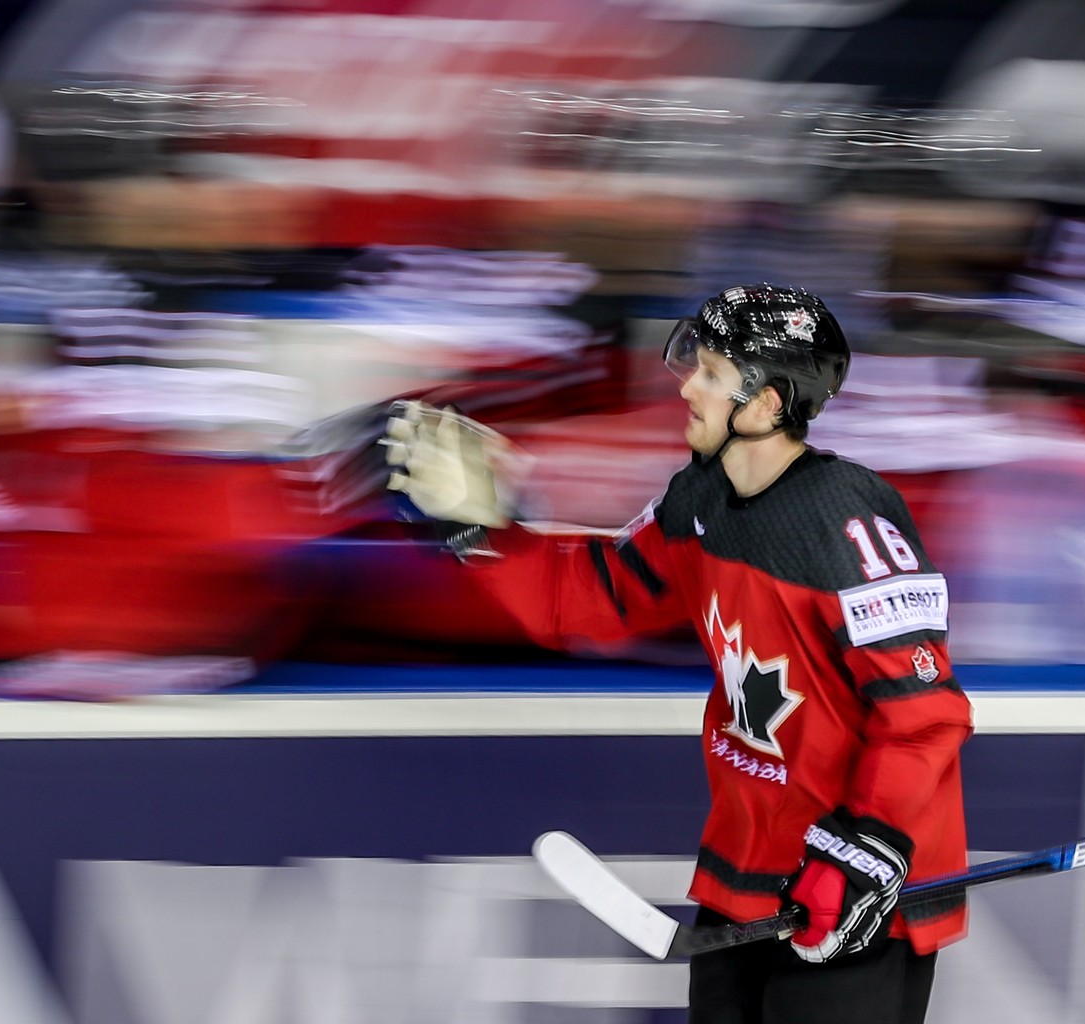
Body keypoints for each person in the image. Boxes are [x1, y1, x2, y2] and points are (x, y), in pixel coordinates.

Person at [383, 283, 972, 1024]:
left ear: (765, 405)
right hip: (749, 877)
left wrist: (865, 845)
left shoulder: (845, 519)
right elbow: (586, 599)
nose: (686, 384)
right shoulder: (699, 501)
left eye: (712, 373)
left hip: (858, 896)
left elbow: (924, 717)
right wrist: (479, 533)